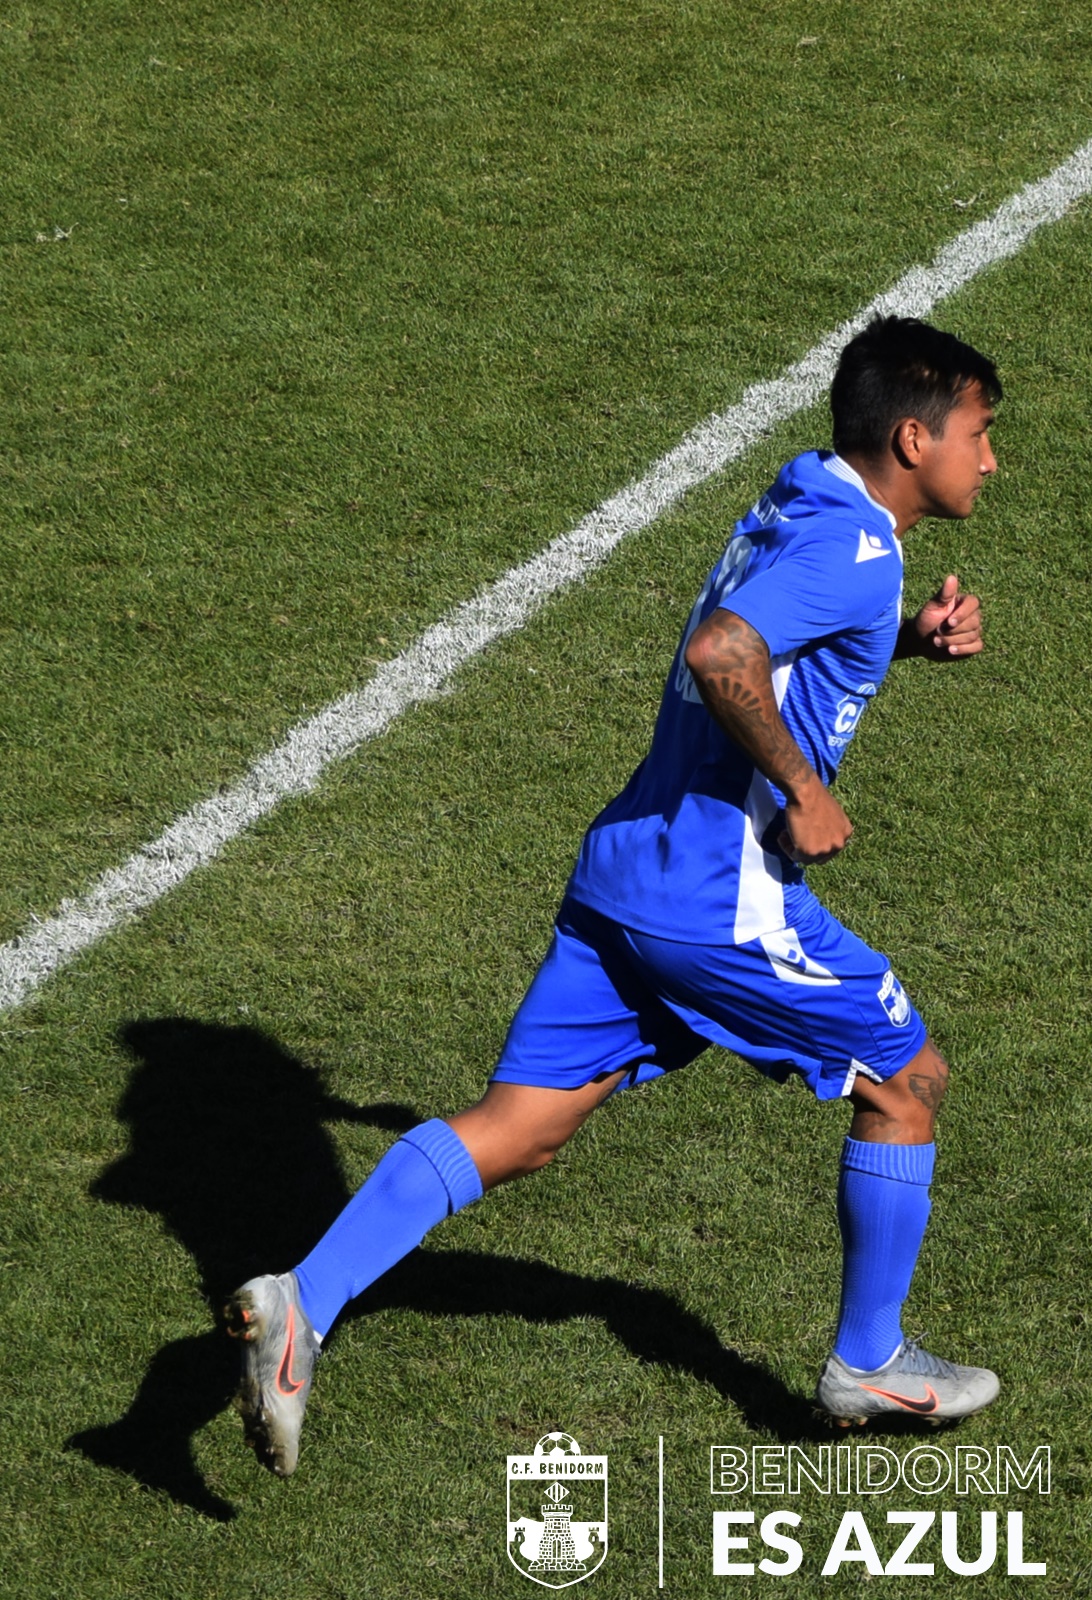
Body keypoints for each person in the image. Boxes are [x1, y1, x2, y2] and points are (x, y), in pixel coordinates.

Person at [226, 315, 1003, 1476]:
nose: (988, 460)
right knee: (906, 1077)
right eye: (978, 434)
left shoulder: (798, 506)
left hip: (624, 874)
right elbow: (724, 656)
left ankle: (301, 1305)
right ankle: (870, 1358)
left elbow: (770, 641)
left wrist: (892, 644)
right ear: (912, 436)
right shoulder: (851, 548)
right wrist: (801, 789)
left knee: (521, 1130)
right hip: (712, 895)